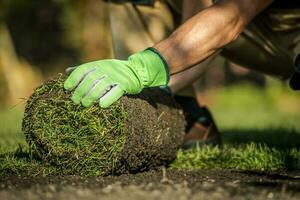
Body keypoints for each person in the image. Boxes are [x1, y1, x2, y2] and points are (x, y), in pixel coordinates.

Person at [63, 0, 300, 148]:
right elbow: (193, 32)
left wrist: (141, 68)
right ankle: (180, 116)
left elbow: (233, 16)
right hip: (254, 32)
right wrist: (159, 87)